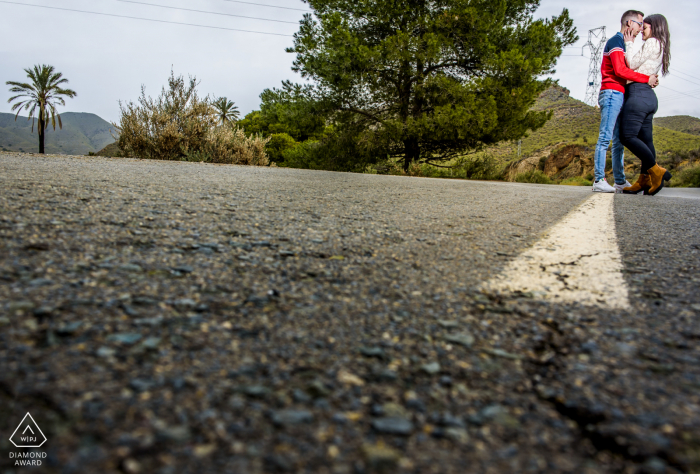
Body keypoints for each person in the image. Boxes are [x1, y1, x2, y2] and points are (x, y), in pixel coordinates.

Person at [592, 10, 659, 193]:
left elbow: (630, 67)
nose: (640, 29)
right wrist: (646, 78)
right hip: (612, 92)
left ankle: (620, 181)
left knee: (619, 141)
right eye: (639, 24)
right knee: (605, 137)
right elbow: (620, 70)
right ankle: (599, 180)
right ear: (629, 23)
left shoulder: (623, 43)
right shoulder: (615, 41)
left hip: (620, 94)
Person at [620, 14, 672, 195]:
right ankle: (644, 179)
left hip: (638, 94)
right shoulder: (661, 45)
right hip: (648, 96)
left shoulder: (652, 42)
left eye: (646, 27)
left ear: (655, 28)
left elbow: (632, 63)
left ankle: (657, 170)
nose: (642, 30)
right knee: (646, 140)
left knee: (627, 136)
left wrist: (629, 43)